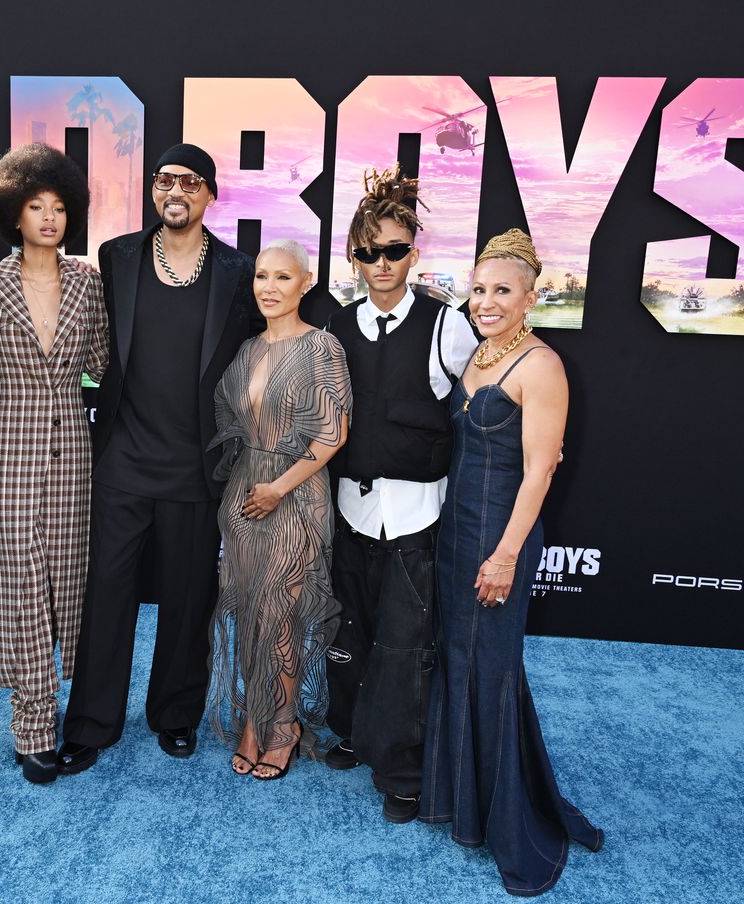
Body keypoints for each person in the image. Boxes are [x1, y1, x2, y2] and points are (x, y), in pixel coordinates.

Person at [56, 144, 262, 774]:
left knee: (188, 598)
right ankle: (91, 722)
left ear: (210, 195)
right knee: (106, 597)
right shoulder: (116, 256)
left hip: (198, 469)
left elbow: (271, 342)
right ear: (154, 190)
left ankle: (175, 715)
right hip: (122, 459)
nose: (176, 190)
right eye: (165, 180)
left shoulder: (237, 270)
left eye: (190, 182)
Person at [420, 228, 603, 895]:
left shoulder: (541, 366)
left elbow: (540, 472)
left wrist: (504, 555)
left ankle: (505, 820)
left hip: (500, 538)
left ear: (531, 296)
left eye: (502, 290)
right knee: (459, 661)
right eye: (479, 289)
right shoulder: (477, 357)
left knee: (490, 668)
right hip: (454, 533)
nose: (487, 301)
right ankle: (459, 800)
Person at [324, 164, 477, 823]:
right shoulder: (334, 328)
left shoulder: (449, 328)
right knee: (349, 634)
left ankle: (404, 772)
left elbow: (486, 409)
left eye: (392, 251)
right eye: (368, 252)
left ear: (412, 255)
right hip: (350, 514)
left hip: (417, 517)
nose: (380, 264)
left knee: (409, 647)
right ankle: (353, 735)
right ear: (354, 258)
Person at [0, 144, 108, 785]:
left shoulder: (87, 280)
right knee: (21, 583)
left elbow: (103, 364)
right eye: (34, 206)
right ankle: (32, 725)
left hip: (75, 448)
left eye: (57, 207)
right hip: (8, 445)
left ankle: (77, 708)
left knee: (70, 583)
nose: (48, 218)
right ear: (12, 213)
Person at [206, 239, 350, 780]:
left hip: (296, 497)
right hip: (245, 498)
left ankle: (284, 724)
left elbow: (333, 433)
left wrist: (278, 486)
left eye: (282, 278)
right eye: (261, 276)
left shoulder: (322, 349)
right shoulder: (247, 351)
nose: (269, 287)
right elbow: (228, 417)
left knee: (282, 617)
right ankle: (252, 718)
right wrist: (249, 480)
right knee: (247, 613)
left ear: (305, 283)